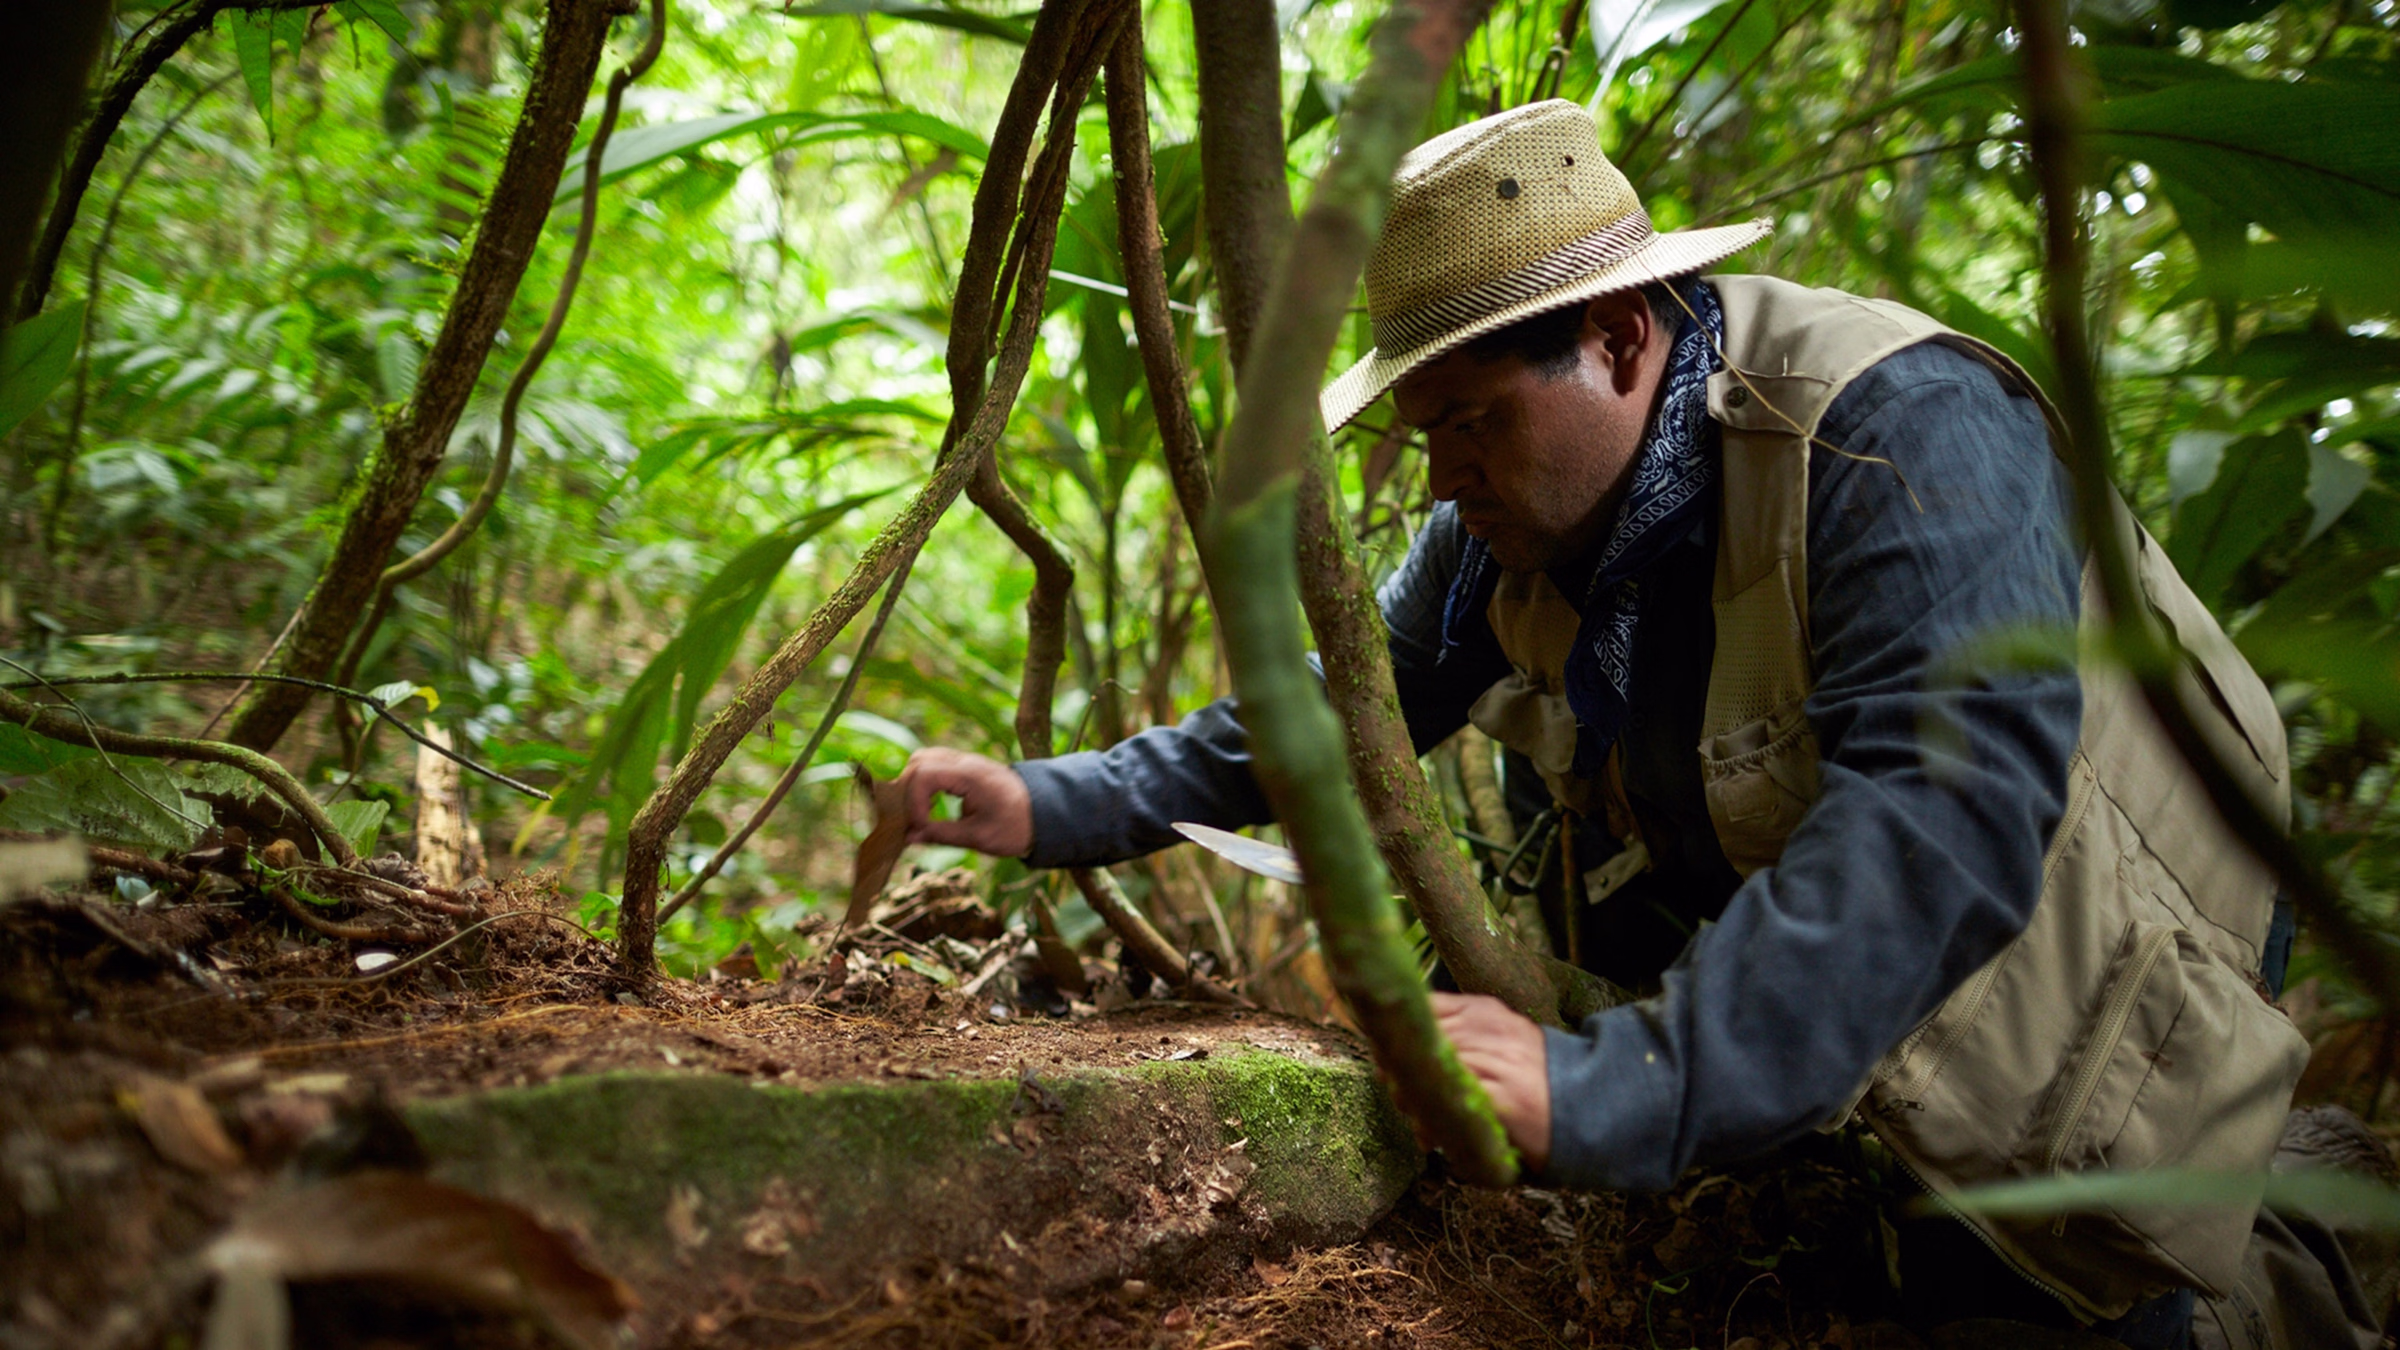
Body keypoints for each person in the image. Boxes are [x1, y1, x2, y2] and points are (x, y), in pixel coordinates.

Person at [898, 100, 2373, 1348]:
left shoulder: (1893, 430)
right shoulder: (1506, 519)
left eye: (1470, 421)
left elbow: (1942, 820)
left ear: (1613, 338)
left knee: (2085, 1269)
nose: (1441, 478)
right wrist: (1053, 803)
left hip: (2112, 921)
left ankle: (2325, 1249)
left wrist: (1625, 1088)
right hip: (1867, 981)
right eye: (1427, 437)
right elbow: (1338, 717)